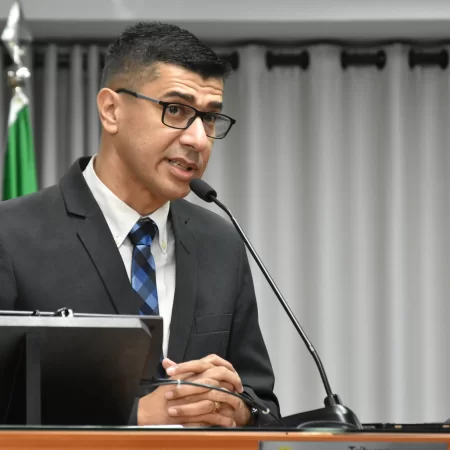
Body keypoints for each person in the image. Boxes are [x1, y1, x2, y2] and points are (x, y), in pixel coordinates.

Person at [0, 21, 279, 427]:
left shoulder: (221, 244)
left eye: (210, 118)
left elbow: (264, 403)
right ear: (111, 110)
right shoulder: (11, 235)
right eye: (176, 109)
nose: (199, 140)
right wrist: (135, 418)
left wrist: (238, 409)